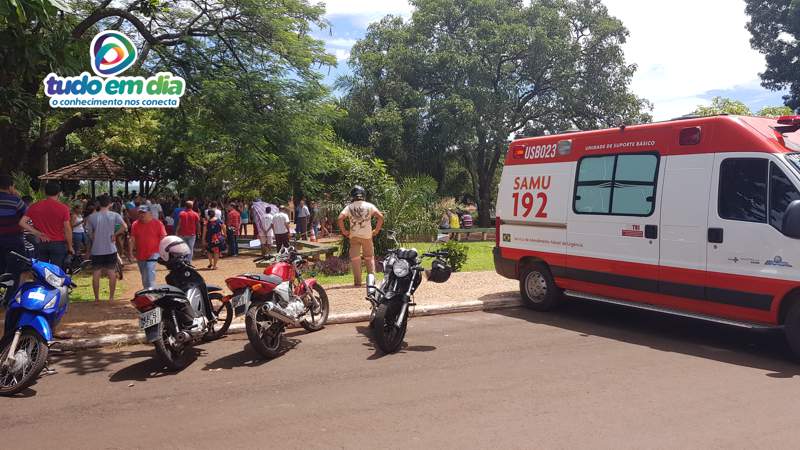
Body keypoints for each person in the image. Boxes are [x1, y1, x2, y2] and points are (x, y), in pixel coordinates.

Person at [337, 185, 384, 286]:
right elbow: (380, 217)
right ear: (363, 195)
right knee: (369, 257)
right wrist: (376, 230)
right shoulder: (369, 205)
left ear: (352, 196)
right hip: (367, 236)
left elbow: (340, 218)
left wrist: (344, 231)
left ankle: (357, 282)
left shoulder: (349, 207)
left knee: (355, 259)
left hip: (354, 236)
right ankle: (371, 282)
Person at [85, 194, 126, 303]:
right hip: (110, 248)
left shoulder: (92, 217)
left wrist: (93, 236)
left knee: (96, 273)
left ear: (99, 203)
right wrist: (115, 235)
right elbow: (124, 227)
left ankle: (97, 298)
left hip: (97, 249)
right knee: (111, 272)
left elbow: (88, 232)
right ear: (110, 204)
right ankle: (111, 298)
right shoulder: (114, 215)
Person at [22, 182, 73, 268]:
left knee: (41, 271)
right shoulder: (63, 208)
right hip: (58, 243)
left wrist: (37, 233)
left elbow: (22, 222)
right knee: (56, 271)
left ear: (45, 193)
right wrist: (70, 246)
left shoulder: (34, 206)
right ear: (59, 193)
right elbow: (67, 229)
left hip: (41, 243)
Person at [0, 175, 28, 302]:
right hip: (14, 241)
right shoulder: (16, 201)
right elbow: (27, 218)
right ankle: (10, 299)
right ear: (11, 186)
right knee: (15, 271)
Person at [129, 205, 166, 289]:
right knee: (144, 275)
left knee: (149, 270)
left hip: (154, 253)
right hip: (141, 254)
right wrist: (131, 253)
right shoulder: (135, 224)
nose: (142, 215)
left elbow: (163, 237)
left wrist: (163, 251)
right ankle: (147, 291)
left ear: (150, 213)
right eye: (140, 213)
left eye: (144, 213)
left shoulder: (158, 223)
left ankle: (152, 291)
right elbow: (132, 239)